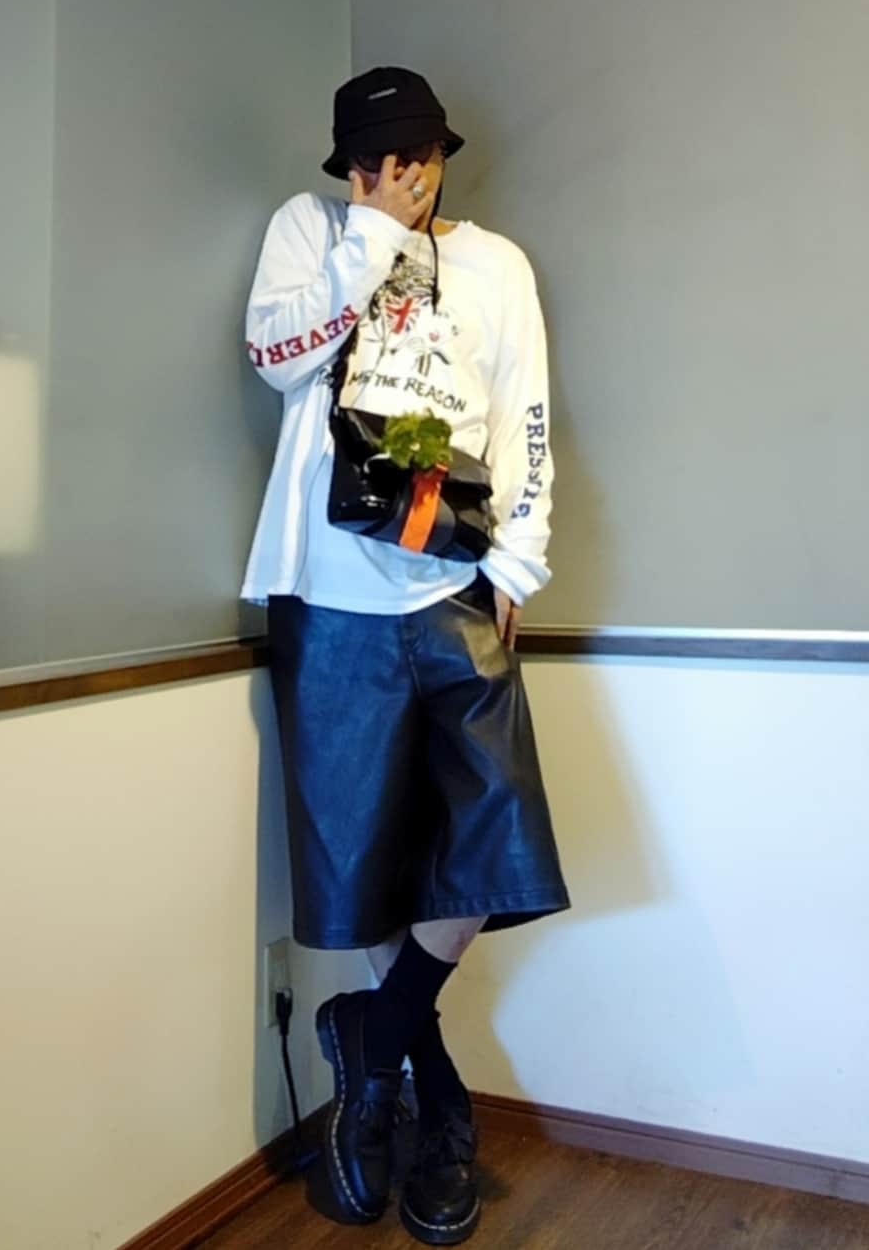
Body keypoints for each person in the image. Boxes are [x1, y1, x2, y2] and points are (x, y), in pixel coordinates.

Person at [241, 66, 571, 1246]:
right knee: (369, 854)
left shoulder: (497, 264)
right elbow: (278, 357)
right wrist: (369, 235)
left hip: (453, 583)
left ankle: (370, 1039)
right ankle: (434, 1105)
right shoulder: (309, 229)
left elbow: (525, 414)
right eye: (381, 162)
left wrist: (515, 566)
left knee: (490, 843)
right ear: (351, 167)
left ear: (443, 155)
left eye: (419, 156)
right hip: (328, 593)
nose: (405, 176)